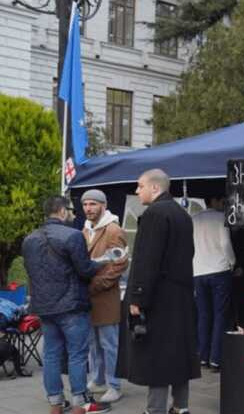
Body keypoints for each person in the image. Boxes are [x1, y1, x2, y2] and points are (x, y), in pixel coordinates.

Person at [116, 169, 201, 414]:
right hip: (180, 296)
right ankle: (181, 407)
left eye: (140, 186)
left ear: (155, 188)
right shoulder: (182, 214)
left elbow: (147, 260)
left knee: (158, 356)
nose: (136, 190)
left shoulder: (154, 213)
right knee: (178, 353)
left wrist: (137, 298)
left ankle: (155, 410)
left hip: (158, 299)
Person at [22, 196, 112, 414]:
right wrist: (104, 261)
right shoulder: (72, 235)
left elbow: (33, 273)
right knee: (77, 354)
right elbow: (85, 270)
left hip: (44, 307)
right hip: (71, 305)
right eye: (71, 210)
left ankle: (56, 403)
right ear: (62, 211)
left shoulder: (29, 239)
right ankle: (81, 403)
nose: (74, 214)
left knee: (51, 355)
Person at [81, 189, 128, 403]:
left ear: (103, 205)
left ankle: (115, 385)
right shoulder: (86, 229)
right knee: (93, 343)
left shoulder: (113, 229)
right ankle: (98, 378)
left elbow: (120, 263)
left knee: (110, 344)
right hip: (89, 296)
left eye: (93, 204)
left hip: (106, 295)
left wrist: (97, 284)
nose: (88, 208)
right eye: (85, 204)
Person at [192, 196, 235, 372]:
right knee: (220, 315)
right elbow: (225, 243)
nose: (223, 204)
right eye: (222, 201)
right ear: (214, 201)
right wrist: (232, 261)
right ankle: (216, 359)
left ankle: (202, 356)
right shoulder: (221, 218)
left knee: (203, 315)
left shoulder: (194, 219)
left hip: (198, 271)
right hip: (219, 270)